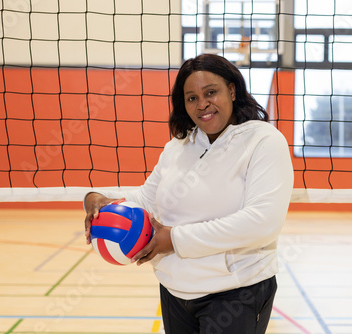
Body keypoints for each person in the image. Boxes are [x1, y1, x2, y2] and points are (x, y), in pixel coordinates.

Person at [84, 54, 294, 334]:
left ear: (232, 90)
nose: (202, 104)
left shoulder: (263, 141)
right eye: (191, 97)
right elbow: (147, 199)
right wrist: (98, 200)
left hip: (234, 293)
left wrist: (174, 239)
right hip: (175, 291)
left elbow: (261, 223)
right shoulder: (179, 146)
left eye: (211, 92)